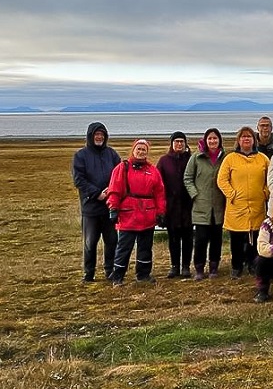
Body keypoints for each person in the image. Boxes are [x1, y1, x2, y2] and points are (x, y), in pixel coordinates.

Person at [107, 139, 166, 285]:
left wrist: (161, 212)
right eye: (138, 149)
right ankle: (118, 276)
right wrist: (113, 208)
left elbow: (159, 193)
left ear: (147, 152)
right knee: (124, 248)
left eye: (144, 150)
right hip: (128, 214)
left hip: (147, 214)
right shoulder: (122, 168)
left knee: (145, 248)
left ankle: (143, 274)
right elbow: (114, 189)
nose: (141, 152)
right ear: (133, 150)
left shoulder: (153, 170)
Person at [217, 126, 270, 278]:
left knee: (255, 237)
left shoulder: (263, 159)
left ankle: (253, 264)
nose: (246, 139)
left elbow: (270, 179)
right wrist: (231, 194)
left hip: (257, 205)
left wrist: (265, 193)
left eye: (249, 137)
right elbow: (222, 180)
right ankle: (236, 266)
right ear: (238, 140)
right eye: (243, 137)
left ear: (254, 140)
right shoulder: (230, 158)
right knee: (236, 239)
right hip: (236, 206)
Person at [72, 122, 121, 283]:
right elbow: (79, 180)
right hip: (91, 208)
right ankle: (89, 273)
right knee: (90, 243)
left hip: (109, 206)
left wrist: (110, 192)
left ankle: (110, 271)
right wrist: (96, 193)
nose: (99, 137)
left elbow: (119, 175)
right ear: (90, 136)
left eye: (101, 134)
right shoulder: (81, 156)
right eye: (96, 135)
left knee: (112, 241)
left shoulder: (112, 154)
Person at [184, 128, 226, 280]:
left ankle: (214, 267)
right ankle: (199, 268)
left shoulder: (225, 157)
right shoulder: (196, 157)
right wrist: (195, 194)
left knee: (216, 239)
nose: (213, 141)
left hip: (219, 205)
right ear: (205, 140)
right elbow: (187, 178)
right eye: (210, 139)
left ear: (219, 140)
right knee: (201, 239)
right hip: (201, 205)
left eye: (215, 138)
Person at [157, 131, 193, 279]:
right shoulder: (164, 161)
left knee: (188, 237)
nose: (179, 144)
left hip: (188, 205)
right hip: (171, 206)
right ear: (171, 144)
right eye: (176, 141)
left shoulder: (191, 159)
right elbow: (159, 184)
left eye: (181, 141)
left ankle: (185, 266)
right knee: (173, 238)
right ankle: (174, 266)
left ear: (185, 144)